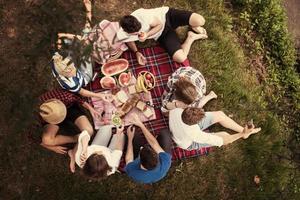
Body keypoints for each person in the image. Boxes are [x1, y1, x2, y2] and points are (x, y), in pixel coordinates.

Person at [56, 0, 146, 65]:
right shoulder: (115, 43)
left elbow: (89, 35)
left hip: (93, 41)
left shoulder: (106, 24)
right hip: (99, 52)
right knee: (86, 33)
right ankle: (88, 13)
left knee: (86, 31)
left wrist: (137, 52)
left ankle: (88, 12)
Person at [118, 7, 208, 63]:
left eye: (139, 30)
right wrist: (136, 52)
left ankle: (192, 24)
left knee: (200, 20)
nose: (139, 33)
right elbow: (129, 40)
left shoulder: (144, 15)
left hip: (166, 16)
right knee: (181, 58)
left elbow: (159, 25)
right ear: (127, 31)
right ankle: (191, 37)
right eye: (135, 33)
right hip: (162, 34)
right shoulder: (122, 34)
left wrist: (147, 34)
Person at [169, 107, 261, 150]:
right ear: (196, 123)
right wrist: (242, 134)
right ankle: (245, 134)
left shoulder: (176, 111)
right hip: (188, 142)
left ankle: (242, 130)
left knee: (220, 115)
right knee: (225, 135)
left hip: (183, 126)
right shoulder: (195, 134)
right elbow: (225, 141)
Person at [39, 89, 97, 154]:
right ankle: (75, 138)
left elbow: (79, 100)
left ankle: (76, 150)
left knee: (89, 131)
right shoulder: (42, 111)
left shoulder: (66, 97)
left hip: (69, 109)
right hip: (52, 118)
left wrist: (91, 109)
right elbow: (36, 137)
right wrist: (51, 147)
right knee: (47, 140)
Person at [125, 114, 172, 184]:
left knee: (133, 134)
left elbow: (128, 158)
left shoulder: (133, 172)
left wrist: (130, 138)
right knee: (165, 134)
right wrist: (141, 125)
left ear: (139, 160)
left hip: (143, 171)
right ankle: (157, 138)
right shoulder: (166, 161)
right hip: (157, 171)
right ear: (157, 156)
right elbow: (154, 144)